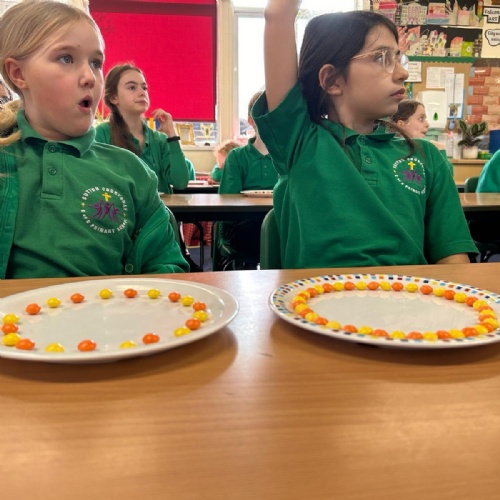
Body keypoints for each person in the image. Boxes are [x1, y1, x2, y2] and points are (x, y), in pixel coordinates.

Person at [252, 1, 477, 269]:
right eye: (382, 58)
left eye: (398, 58)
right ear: (332, 80)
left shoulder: (426, 156)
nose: (403, 73)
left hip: (405, 294)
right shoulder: (299, 142)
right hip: (316, 296)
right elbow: (278, 15)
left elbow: (453, 258)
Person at [0, 0, 189, 278]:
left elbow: (166, 265)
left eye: (96, 63)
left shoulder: (132, 171)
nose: (90, 77)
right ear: (18, 74)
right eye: (66, 58)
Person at [95, 63, 190, 194]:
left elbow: (180, 182)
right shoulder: (102, 134)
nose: (142, 93)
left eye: (144, 88)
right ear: (113, 98)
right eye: (132, 87)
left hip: (160, 207)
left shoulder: (160, 139)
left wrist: (172, 135)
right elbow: (97, 182)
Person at [214, 91, 279, 270]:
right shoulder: (236, 157)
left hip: (280, 222)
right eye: (264, 112)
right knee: (257, 230)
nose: (270, 118)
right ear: (251, 120)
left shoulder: (287, 156)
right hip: (244, 224)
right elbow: (227, 202)